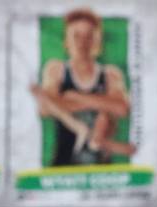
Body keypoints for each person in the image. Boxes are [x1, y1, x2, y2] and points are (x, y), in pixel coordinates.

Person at [30, 7, 134, 167]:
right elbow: (45, 108)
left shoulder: (111, 74)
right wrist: (103, 102)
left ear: (96, 41)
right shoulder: (56, 70)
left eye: (88, 36)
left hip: (101, 167)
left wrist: (75, 98)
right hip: (63, 162)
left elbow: (122, 108)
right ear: (66, 41)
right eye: (76, 36)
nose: (82, 43)